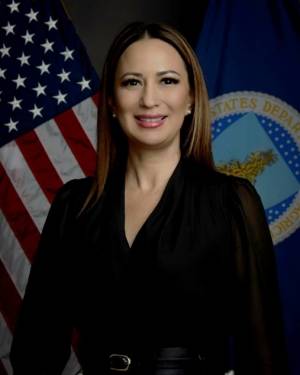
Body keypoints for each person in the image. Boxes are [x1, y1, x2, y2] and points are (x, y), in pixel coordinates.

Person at [10, 21, 289, 375]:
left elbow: (264, 358)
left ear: (191, 98)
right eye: (132, 82)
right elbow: (35, 352)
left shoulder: (230, 202)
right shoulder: (73, 206)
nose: (149, 99)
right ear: (111, 101)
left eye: (167, 80)